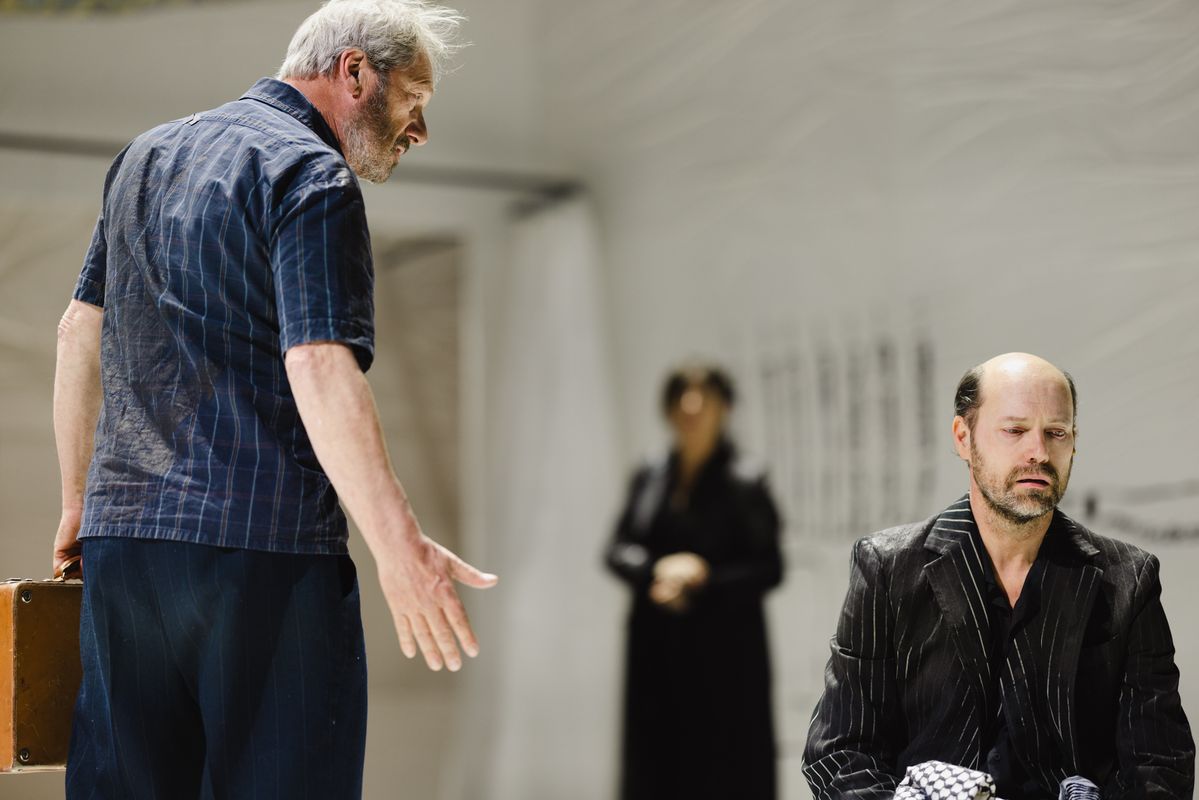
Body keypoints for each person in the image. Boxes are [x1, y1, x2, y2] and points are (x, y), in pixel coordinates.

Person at [50, 1, 496, 796]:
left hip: (125, 554)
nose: (420, 131)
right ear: (354, 72)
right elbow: (318, 362)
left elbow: (79, 331)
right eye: (414, 101)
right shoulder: (310, 174)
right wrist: (400, 551)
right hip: (264, 553)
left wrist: (80, 505)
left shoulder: (144, 155)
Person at [803, 352, 1194, 799]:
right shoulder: (888, 568)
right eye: (1014, 430)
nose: (1038, 452)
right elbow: (839, 753)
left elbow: (1159, 765)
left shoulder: (1126, 579)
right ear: (963, 437)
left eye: (1056, 432)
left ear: (1073, 442)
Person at [605, 364, 784, 800]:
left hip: (725, 657)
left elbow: (769, 567)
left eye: (704, 397)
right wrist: (658, 570)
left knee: (726, 771)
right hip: (657, 649)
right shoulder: (651, 474)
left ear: (724, 409)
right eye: (681, 398)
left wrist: (702, 577)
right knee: (655, 768)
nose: (691, 406)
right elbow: (617, 548)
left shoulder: (745, 478)